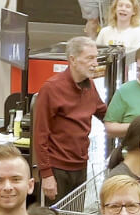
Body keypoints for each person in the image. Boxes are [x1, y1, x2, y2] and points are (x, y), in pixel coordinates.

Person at [35, 38, 108, 204]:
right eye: (90, 58)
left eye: (96, 58)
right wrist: (46, 174)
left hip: (80, 167)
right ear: (73, 60)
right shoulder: (52, 88)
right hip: (57, 169)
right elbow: (40, 135)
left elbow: (105, 114)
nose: (95, 63)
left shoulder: (89, 85)